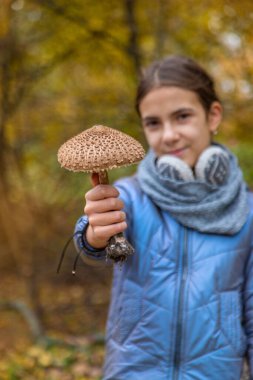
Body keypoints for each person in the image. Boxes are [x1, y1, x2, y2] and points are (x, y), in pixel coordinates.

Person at [74, 55, 253, 380]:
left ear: (213, 116)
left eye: (182, 116)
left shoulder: (247, 210)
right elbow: (92, 241)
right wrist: (94, 233)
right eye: (153, 123)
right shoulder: (131, 195)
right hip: (133, 372)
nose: (168, 135)